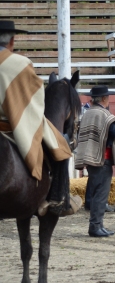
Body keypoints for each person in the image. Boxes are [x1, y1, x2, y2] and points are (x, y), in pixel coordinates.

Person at [0, 20, 75, 214]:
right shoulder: (20, 63)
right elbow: (35, 99)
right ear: (12, 41)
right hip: (8, 125)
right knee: (61, 146)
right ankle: (57, 199)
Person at [74, 86, 115, 237]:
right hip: (102, 159)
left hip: (91, 158)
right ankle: (95, 226)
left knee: (96, 192)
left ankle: (98, 225)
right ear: (104, 99)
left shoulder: (88, 113)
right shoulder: (104, 114)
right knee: (100, 194)